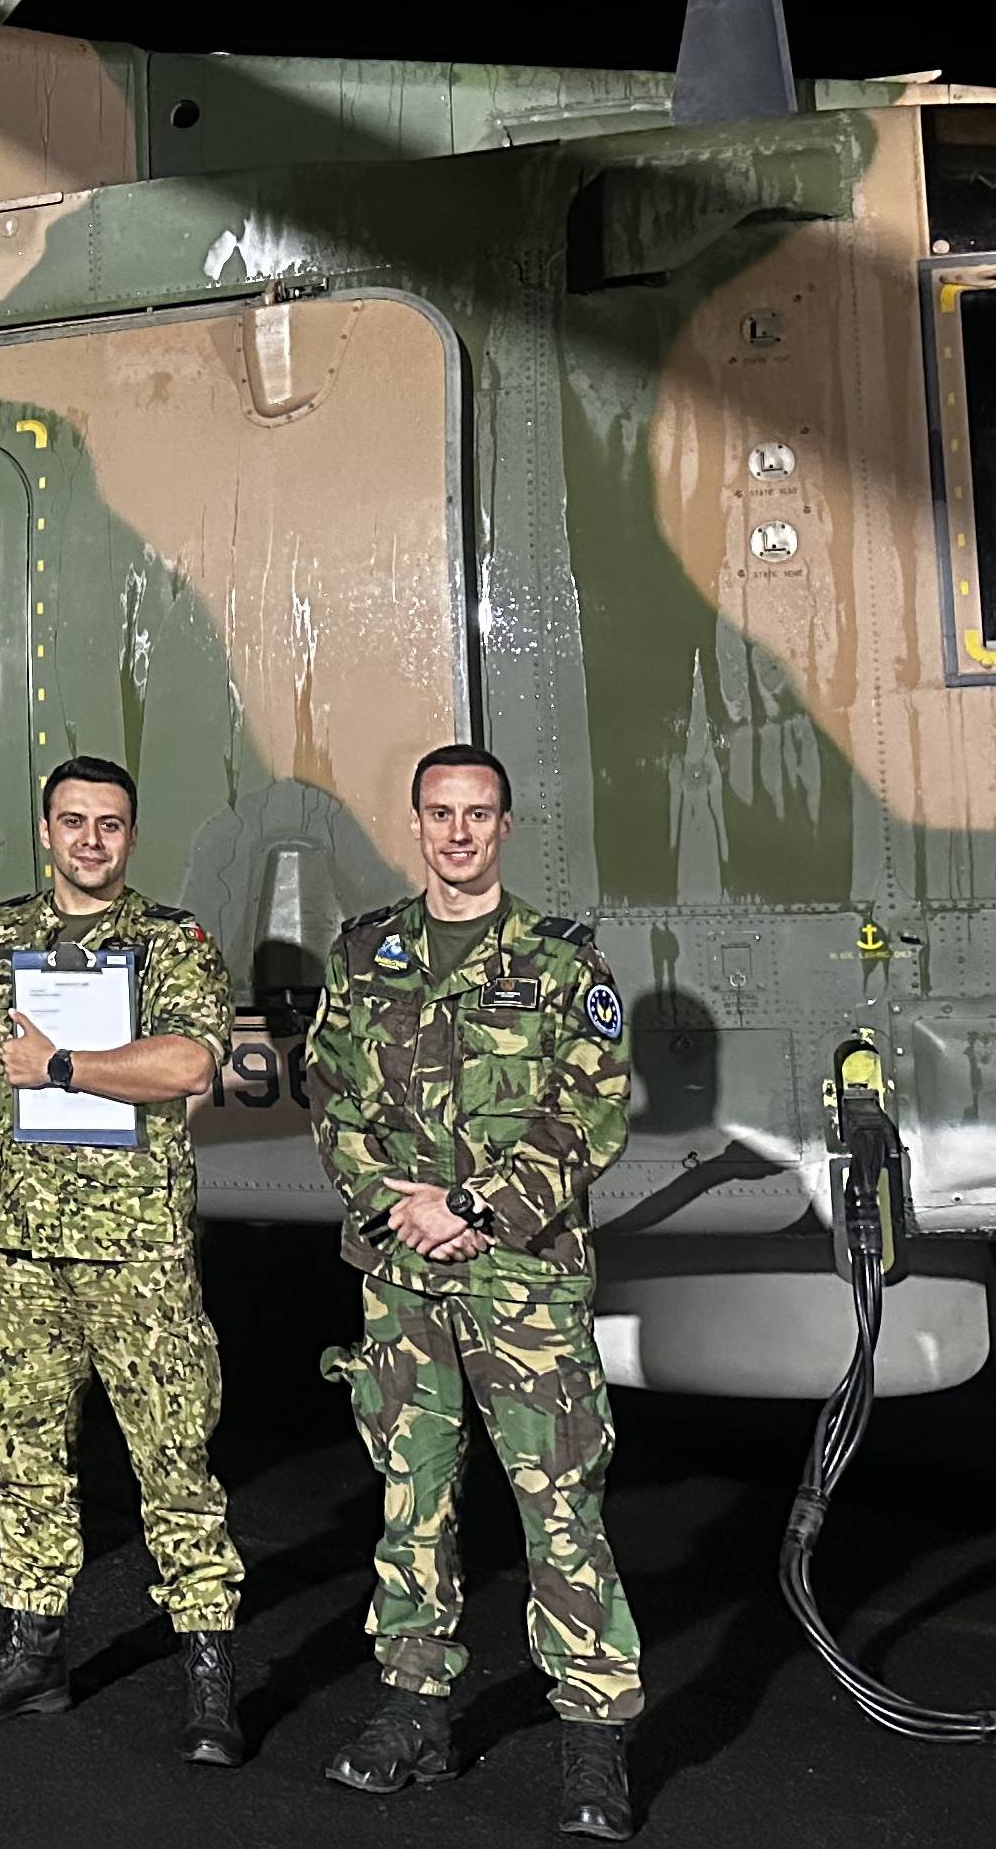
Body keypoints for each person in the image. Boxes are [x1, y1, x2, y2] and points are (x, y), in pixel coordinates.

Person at [305, 744, 641, 1841]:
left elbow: (586, 1117)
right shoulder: (367, 954)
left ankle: (593, 1740)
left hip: (523, 1282)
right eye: (441, 812)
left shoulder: (558, 962)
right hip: (402, 1284)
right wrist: (391, 1203)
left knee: (560, 1511)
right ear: (416, 822)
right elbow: (334, 1098)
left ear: (504, 826)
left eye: (478, 813)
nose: (458, 831)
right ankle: (414, 1710)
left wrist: (474, 1206)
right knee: (413, 1501)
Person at [0, 755, 249, 1765]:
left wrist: (62, 1064)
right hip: (22, 1247)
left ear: (132, 835)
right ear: (45, 828)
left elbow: (191, 1062)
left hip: (135, 1249)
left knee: (174, 1461)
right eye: (74, 822)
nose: (91, 841)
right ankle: (34, 1649)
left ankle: (207, 1672)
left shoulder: (170, 943)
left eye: (110, 823)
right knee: (25, 1459)